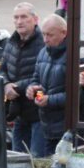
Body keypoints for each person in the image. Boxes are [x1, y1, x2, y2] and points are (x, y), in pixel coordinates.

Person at [1, 2, 45, 156]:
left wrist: (16, 87)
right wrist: (6, 85)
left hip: (38, 110)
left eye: (24, 17)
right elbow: (2, 69)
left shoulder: (43, 43)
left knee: (37, 158)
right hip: (18, 111)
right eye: (16, 17)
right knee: (17, 157)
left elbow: (42, 75)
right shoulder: (11, 42)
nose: (19, 21)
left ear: (35, 19)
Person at [25, 14, 69, 155]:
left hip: (67, 127)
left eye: (50, 35)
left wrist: (50, 100)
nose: (45, 39)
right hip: (46, 124)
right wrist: (31, 88)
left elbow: (79, 94)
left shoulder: (76, 55)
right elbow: (36, 78)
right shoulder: (43, 52)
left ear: (64, 33)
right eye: (43, 34)